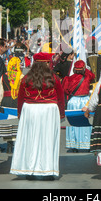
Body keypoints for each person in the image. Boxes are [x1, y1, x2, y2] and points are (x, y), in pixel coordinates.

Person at [10, 52, 65, 180]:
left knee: (30, 139)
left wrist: (20, 114)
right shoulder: (54, 78)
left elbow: (21, 98)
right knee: (48, 140)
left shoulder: (26, 78)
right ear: (45, 63)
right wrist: (61, 113)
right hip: (49, 110)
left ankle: (30, 170)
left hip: (30, 109)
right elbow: (61, 97)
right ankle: (47, 171)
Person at [62, 60, 95, 152]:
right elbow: (93, 76)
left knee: (73, 123)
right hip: (85, 101)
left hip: (73, 102)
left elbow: (65, 90)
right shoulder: (87, 77)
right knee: (86, 123)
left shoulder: (68, 79)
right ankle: (87, 143)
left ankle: (74, 144)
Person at [0, 56, 24, 153]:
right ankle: (17, 143)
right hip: (17, 101)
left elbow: (0, 90)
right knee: (16, 121)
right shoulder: (21, 76)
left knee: (8, 121)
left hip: (6, 100)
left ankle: (8, 144)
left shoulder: (4, 76)